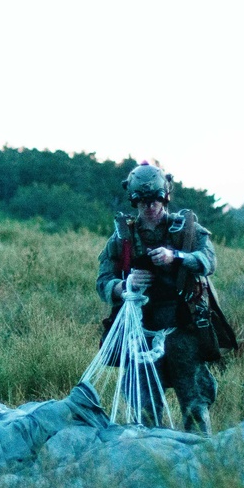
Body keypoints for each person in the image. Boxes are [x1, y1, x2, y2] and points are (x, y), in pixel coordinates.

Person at [95, 163, 218, 434]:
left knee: (195, 407)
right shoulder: (121, 238)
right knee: (144, 412)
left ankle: (199, 462)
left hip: (182, 330)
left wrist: (176, 257)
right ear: (134, 201)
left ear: (165, 197)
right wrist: (123, 286)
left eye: (156, 200)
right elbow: (102, 282)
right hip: (141, 332)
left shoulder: (187, 230)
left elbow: (208, 261)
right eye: (143, 201)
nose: (150, 207)